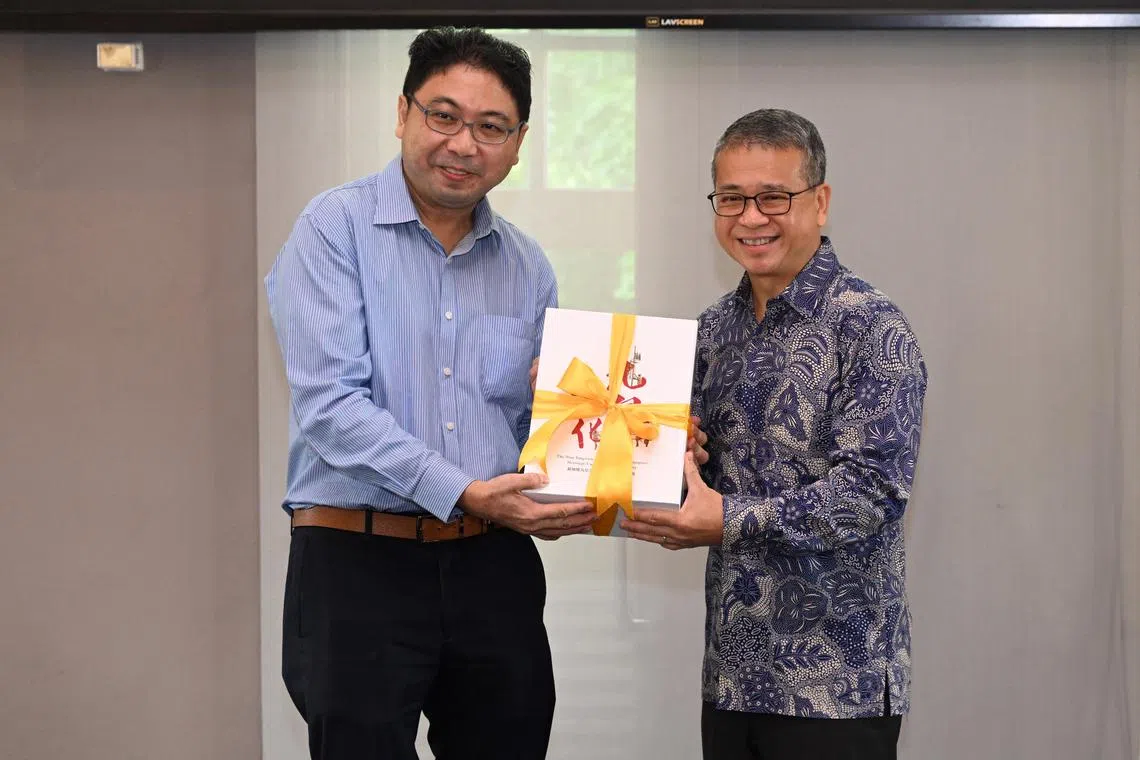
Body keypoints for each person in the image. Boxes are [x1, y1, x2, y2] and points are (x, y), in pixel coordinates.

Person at [264, 26, 597, 760]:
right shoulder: (333, 228)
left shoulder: (528, 267)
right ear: (403, 113)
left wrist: (623, 446)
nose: (463, 144)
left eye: (491, 127)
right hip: (356, 558)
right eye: (444, 116)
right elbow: (330, 407)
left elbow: (536, 427)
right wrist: (464, 491)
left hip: (493, 566)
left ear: (518, 143)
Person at [623, 108, 928, 760]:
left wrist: (726, 518)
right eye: (732, 198)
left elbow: (871, 492)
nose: (750, 217)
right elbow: (695, 475)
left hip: (836, 687)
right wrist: (667, 456)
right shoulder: (712, 330)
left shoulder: (871, 327)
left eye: (773, 197)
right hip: (732, 677)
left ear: (820, 202)